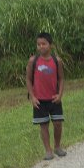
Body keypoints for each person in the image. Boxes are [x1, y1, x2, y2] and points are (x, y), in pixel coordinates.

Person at [26, 32, 66, 160]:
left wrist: (60, 95)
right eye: (38, 44)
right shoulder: (33, 61)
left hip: (54, 99)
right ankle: (48, 150)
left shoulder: (57, 61)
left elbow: (61, 79)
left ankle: (57, 147)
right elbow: (28, 79)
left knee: (58, 123)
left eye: (44, 44)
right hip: (39, 100)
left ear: (50, 45)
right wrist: (32, 97)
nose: (41, 46)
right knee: (43, 125)